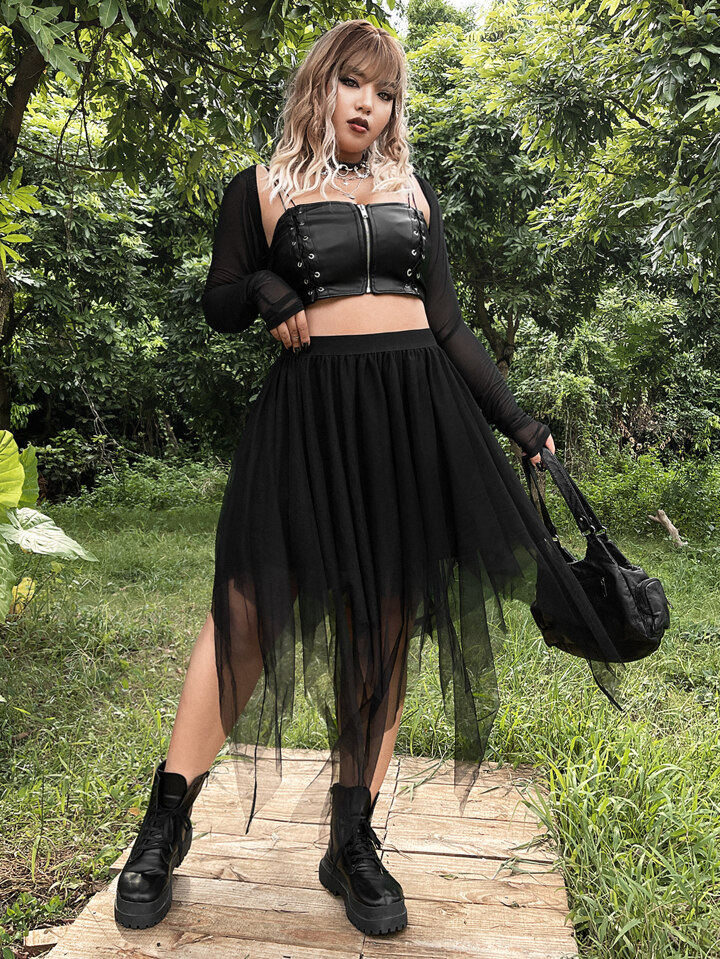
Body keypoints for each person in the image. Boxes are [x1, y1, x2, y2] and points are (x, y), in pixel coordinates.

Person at [114, 18, 625, 938]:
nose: (369, 105)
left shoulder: (412, 191)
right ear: (321, 86)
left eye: (386, 93)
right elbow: (219, 298)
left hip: (411, 425)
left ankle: (351, 838)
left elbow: (449, 326)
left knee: (384, 620)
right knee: (247, 610)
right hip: (309, 426)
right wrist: (266, 288)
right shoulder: (262, 187)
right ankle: (165, 825)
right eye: (354, 83)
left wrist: (519, 423)